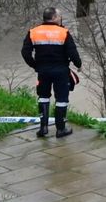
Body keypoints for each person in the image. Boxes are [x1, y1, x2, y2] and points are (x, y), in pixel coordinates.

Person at [21, 7, 82, 139]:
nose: (60, 19)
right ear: (54, 18)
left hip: (43, 71)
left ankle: (43, 129)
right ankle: (61, 129)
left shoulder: (33, 32)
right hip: (61, 71)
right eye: (59, 17)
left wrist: (34, 65)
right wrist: (79, 65)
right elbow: (73, 53)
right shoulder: (64, 32)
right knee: (61, 99)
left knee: (43, 96)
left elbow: (25, 53)